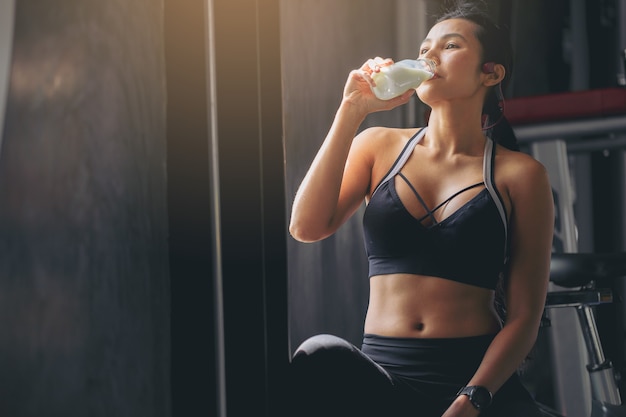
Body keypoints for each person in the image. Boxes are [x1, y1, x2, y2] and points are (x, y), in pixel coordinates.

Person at [287, 1, 554, 416]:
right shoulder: (378, 146)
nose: (429, 56)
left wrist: (471, 401)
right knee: (318, 354)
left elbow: (523, 318)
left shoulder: (521, 175)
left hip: (475, 384)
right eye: (424, 47)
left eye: (449, 46)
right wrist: (351, 110)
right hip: (387, 380)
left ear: (491, 72)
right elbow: (305, 226)